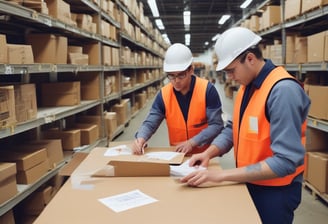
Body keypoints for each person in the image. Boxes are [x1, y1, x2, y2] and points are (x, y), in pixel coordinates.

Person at [180, 27, 311, 224]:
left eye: (231, 70)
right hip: (252, 181)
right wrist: (209, 153)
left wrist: (221, 176)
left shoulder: (282, 91)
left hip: (276, 191)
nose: (229, 77)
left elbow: (286, 161)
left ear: (250, 58)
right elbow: (234, 128)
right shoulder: (247, 86)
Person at [132, 43, 224, 155]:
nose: (176, 81)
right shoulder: (164, 94)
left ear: (191, 70)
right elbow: (150, 122)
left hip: (204, 156)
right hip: (177, 156)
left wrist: (192, 142)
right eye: (171, 76)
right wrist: (141, 138)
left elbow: (216, 124)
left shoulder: (207, 90)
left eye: (181, 75)